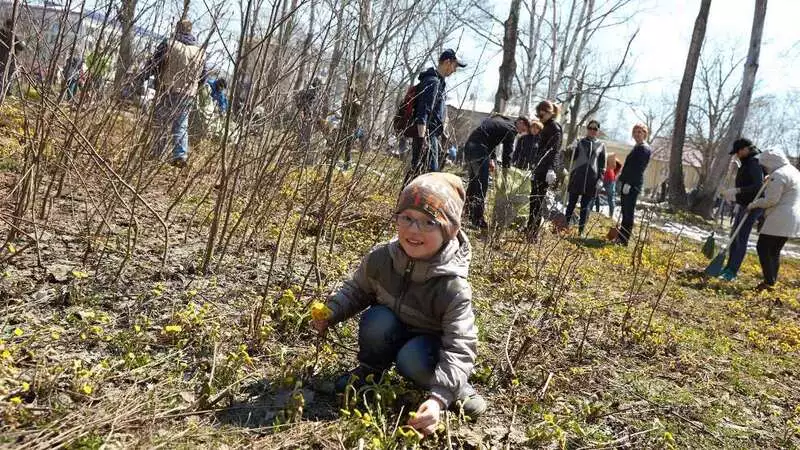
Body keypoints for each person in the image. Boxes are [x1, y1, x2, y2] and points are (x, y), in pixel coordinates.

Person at [311, 172, 487, 435]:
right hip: (393, 330)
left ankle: (455, 389)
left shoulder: (453, 287)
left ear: (449, 231)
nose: (414, 230)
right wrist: (332, 311)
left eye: (429, 222)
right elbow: (357, 290)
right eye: (407, 218)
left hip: (427, 351)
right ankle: (370, 372)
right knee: (377, 320)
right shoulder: (382, 259)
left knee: (411, 358)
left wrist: (438, 399)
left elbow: (460, 345)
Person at [140, 19, 208, 168]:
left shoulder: (169, 44)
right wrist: (194, 88)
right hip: (188, 94)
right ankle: (180, 156)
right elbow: (204, 77)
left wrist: (142, 78)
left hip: (168, 89)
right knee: (181, 125)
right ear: (190, 31)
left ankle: (157, 154)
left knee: (161, 122)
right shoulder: (200, 52)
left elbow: (154, 63)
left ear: (177, 29)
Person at [404, 49, 465, 185]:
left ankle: (407, 196)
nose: (454, 70)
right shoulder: (433, 82)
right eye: (455, 66)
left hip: (431, 135)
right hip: (427, 135)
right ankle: (407, 197)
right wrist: (422, 140)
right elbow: (422, 112)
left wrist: (443, 134)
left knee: (419, 173)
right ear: (447, 62)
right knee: (428, 175)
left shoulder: (438, 82)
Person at [746, 150, 800, 291]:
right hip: (792, 218)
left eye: (765, 164)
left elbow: (771, 200)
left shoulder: (779, 175)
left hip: (780, 217)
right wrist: (770, 181)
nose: (764, 167)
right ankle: (771, 281)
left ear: (771, 162)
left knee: (763, 247)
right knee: (774, 251)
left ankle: (768, 281)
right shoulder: (793, 171)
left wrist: (753, 204)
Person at [463, 115, 526, 230]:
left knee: (474, 183)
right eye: (523, 129)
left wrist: (491, 158)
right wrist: (506, 174)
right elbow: (507, 153)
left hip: (470, 146)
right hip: (480, 150)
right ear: (521, 122)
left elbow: (490, 138)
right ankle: (477, 220)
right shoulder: (511, 130)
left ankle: (465, 213)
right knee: (481, 185)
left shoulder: (502, 120)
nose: (521, 132)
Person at [718, 138, 764, 281]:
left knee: (741, 237)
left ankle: (732, 271)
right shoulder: (746, 162)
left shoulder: (755, 162)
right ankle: (728, 267)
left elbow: (758, 186)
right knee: (734, 235)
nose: (737, 155)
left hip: (752, 205)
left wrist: (737, 191)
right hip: (743, 203)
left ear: (745, 149)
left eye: (738, 152)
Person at [526, 100, 563, 240]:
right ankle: (530, 229)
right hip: (539, 168)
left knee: (538, 201)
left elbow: (554, 150)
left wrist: (551, 169)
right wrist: (534, 167)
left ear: (550, 113)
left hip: (546, 169)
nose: (539, 118)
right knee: (533, 200)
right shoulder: (545, 126)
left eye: (541, 115)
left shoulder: (554, 128)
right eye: (538, 115)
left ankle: (533, 233)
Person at [564, 120, 606, 236]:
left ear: (598, 131)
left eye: (595, 129)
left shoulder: (601, 145)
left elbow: (602, 165)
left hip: (592, 180)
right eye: (590, 128)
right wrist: (571, 148)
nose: (592, 130)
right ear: (587, 129)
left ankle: (581, 232)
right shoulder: (579, 141)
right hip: (577, 177)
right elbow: (569, 156)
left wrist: (601, 179)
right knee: (571, 204)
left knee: (585, 207)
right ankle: (564, 227)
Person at [615, 123, 652, 246]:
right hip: (627, 182)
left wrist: (629, 184)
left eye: (640, 132)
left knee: (628, 212)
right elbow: (628, 167)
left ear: (645, 134)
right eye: (635, 132)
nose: (637, 134)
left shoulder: (644, 149)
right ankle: (620, 237)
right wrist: (621, 178)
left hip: (632, 184)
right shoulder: (637, 147)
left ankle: (624, 239)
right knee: (625, 211)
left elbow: (638, 169)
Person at [295, 77, 322, 164]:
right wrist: (304, 112)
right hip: (306, 118)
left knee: (303, 137)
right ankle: (299, 158)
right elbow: (308, 104)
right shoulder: (311, 92)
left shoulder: (309, 90)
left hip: (307, 118)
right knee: (304, 138)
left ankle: (299, 158)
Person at [0, 18, 25, 99]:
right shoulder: (13, 35)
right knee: (9, 75)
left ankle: (4, 91)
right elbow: (21, 47)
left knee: (3, 75)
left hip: (3, 59)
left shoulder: (1, 32)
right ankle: (7, 91)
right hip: (9, 60)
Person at [340, 89, 363, 170]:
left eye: (351, 93)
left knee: (348, 147)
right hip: (344, 127)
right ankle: (344, 164)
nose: (349, 95)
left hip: (353, 128)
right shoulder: (346, 102)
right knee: (341, 146)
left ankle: (346, 166)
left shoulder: (357, 104)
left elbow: (355, 116)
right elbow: (343, 112)